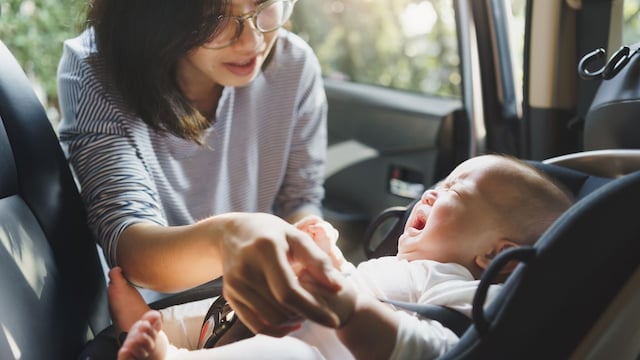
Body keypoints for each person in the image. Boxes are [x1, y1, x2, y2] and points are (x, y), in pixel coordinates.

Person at [56, 0, 341, 336]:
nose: (252, 41)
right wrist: (230, 239)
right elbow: (129, 246)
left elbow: (301, 198)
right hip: (155, 319)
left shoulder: (294, 64)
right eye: (215, 17)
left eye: (265, 3)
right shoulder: (94, 69)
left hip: (253, 306)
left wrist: (310, 241)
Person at [110, 154, 575, 359]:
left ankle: (172, 357)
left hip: (320, 351)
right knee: (226, 299)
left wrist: (348, 308)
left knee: (289, 356)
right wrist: (330, 261)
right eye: (438, 183)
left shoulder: (471, 294)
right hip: (294, 319)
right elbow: (362, 285)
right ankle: (158, 328)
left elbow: (436, 350)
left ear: (501, 258)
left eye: (455, 191)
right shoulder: (405, 268)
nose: (432, 194)